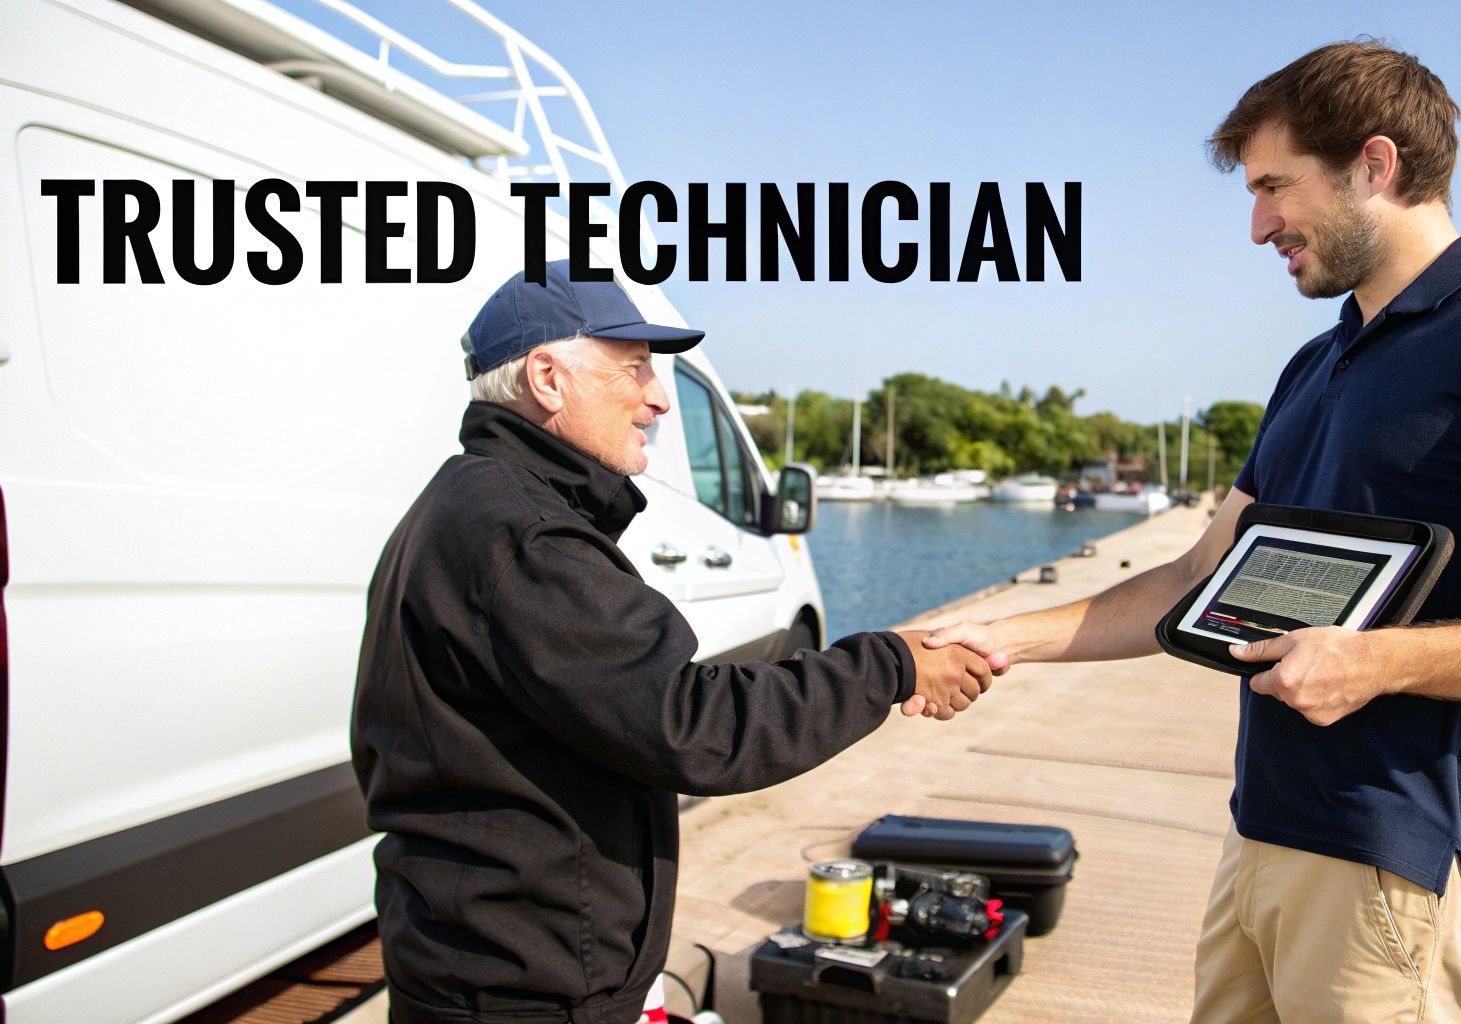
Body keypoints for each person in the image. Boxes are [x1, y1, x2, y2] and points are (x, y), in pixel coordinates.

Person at [925, 41, 1461, 1023]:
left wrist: (1375, 663)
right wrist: (1004, 638)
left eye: (1274, 187)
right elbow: (1196, 577)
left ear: (1374, 165)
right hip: (1262, 840)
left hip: (1390, 866)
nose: (1255, 226)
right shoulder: (1312, 368)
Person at [352, 261, 993, 1024]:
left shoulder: (463, 503)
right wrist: (891, 664)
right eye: (634, 368)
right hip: (521, 990)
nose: (658, 398)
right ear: (547, 378)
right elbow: (693, 725)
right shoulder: (525, 539)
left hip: (477, 963)